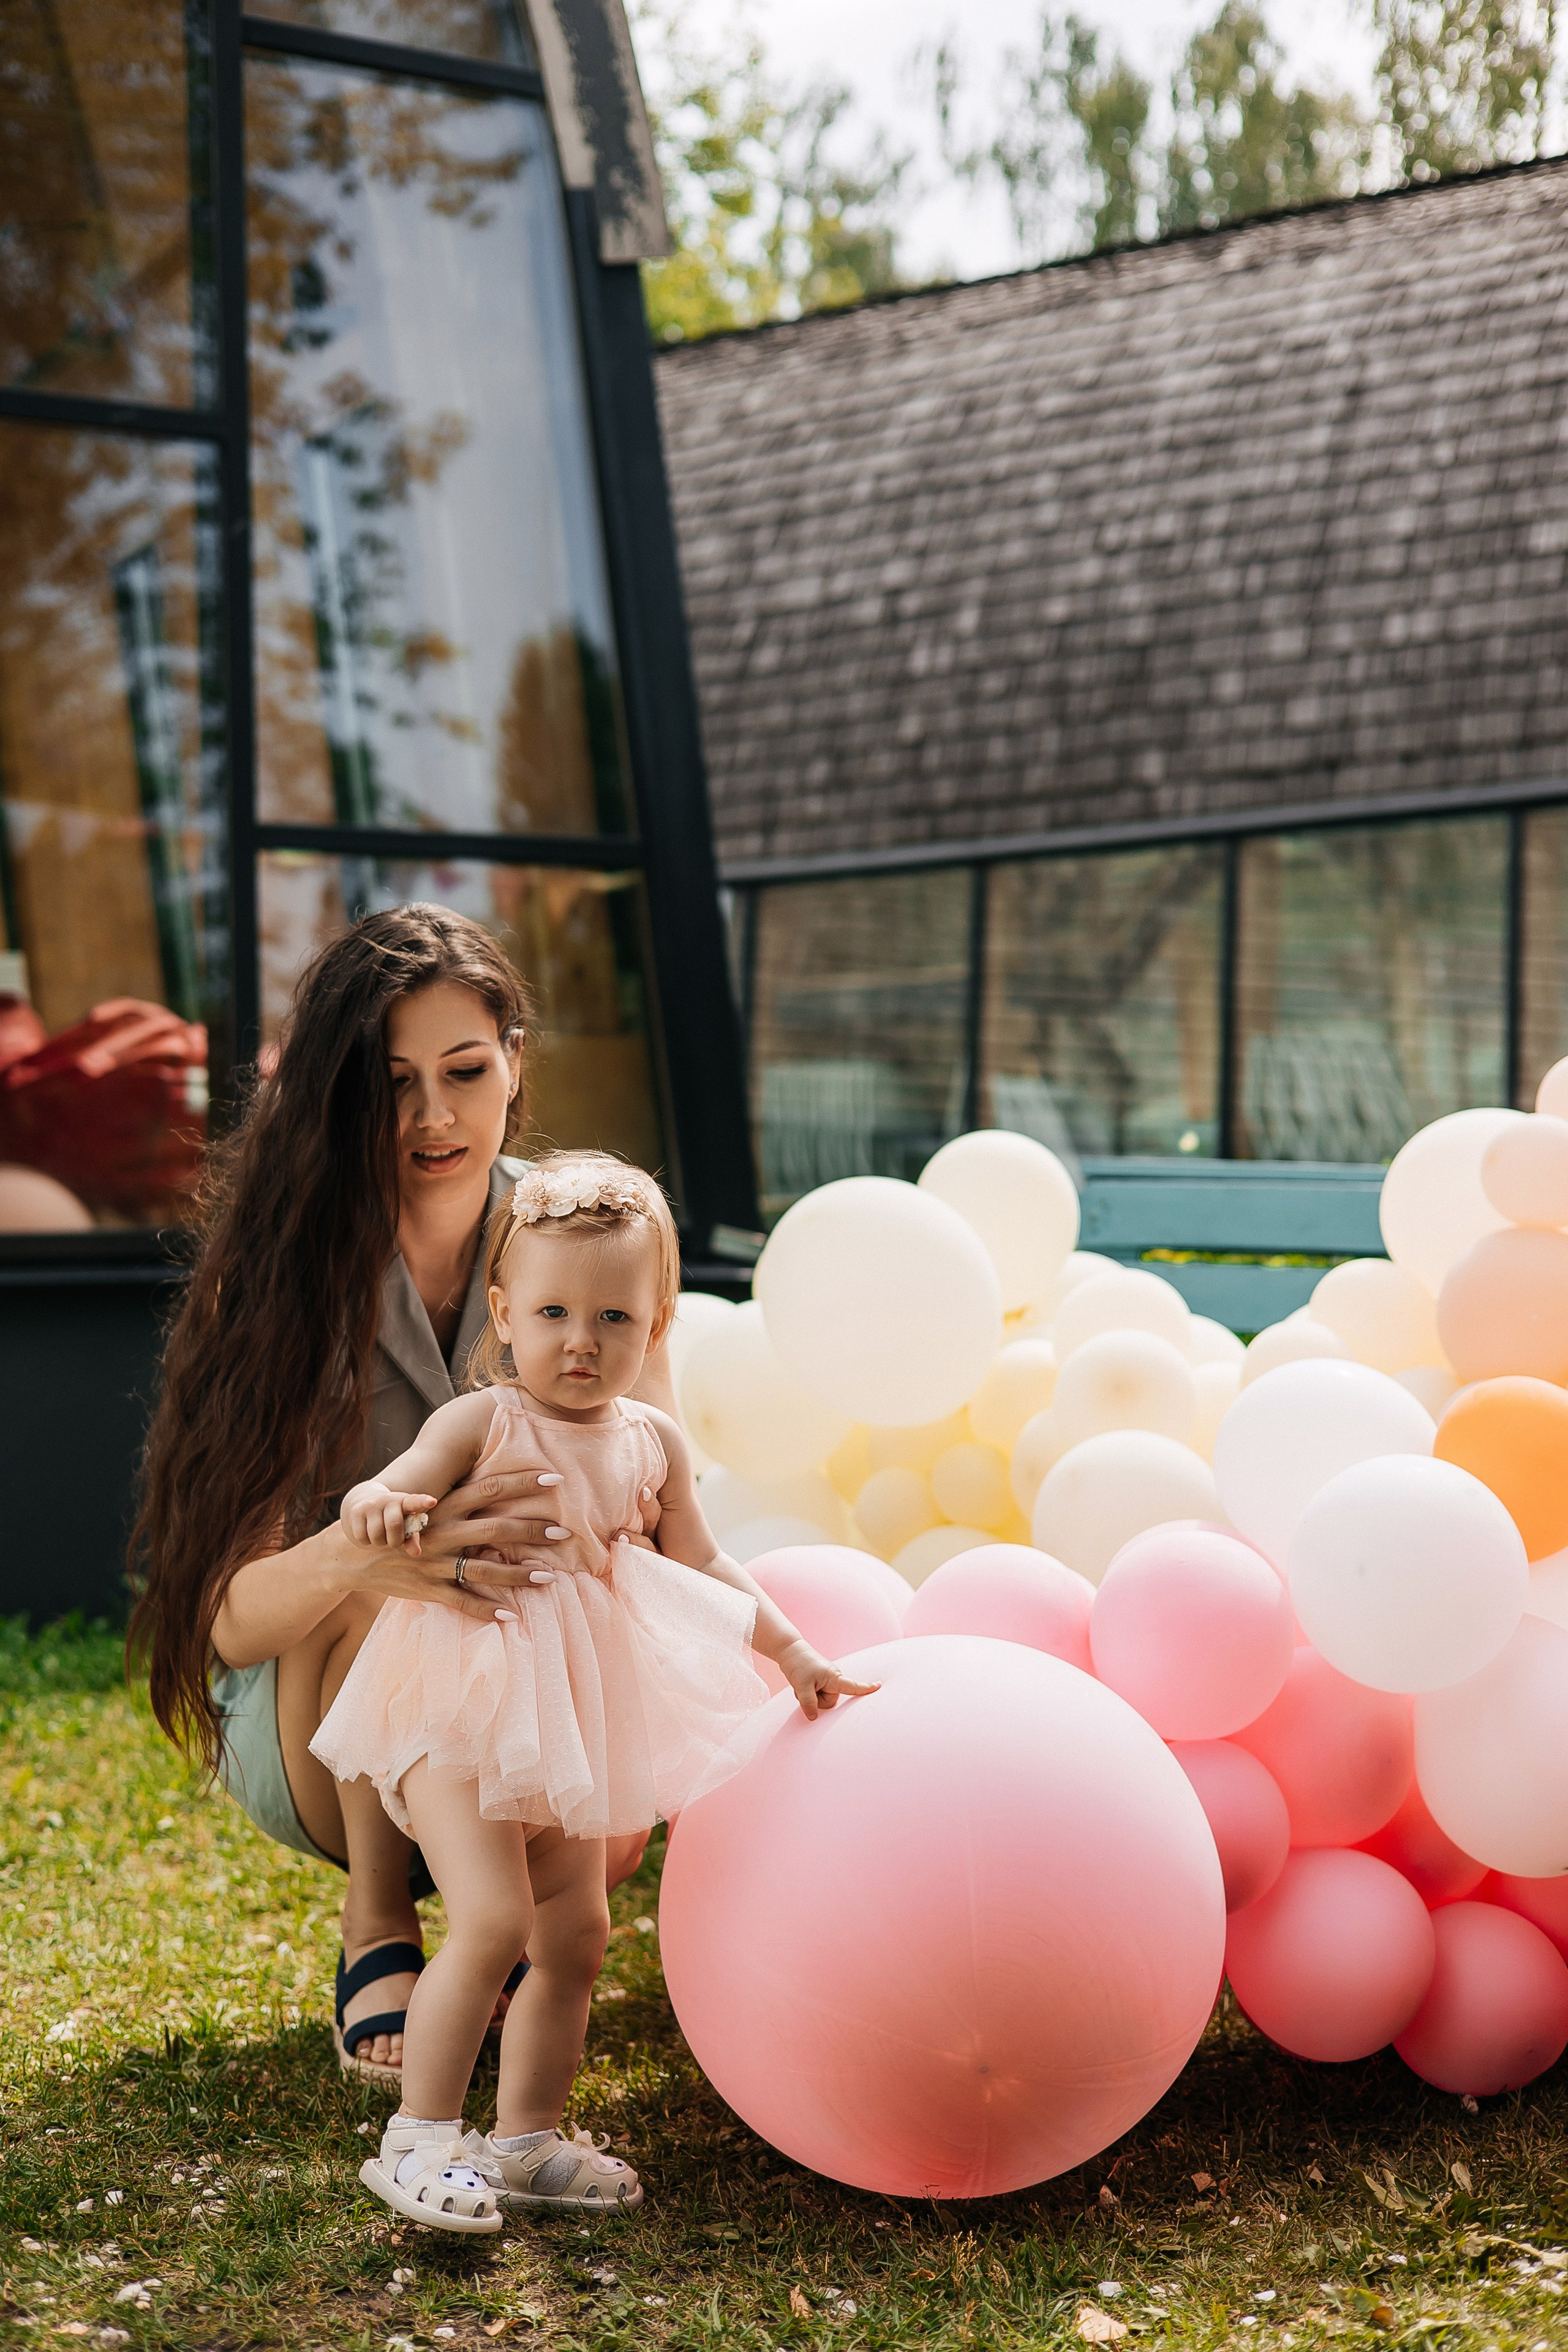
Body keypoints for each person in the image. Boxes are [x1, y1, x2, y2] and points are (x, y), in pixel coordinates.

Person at [131, 907, 665, 2089]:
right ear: (339, 1095)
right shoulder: (282, 1266)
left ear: (515, 1060)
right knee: (391, 1588)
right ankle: (380, 1917)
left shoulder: (587, 1233)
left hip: (538, 1692)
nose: (434, 1116)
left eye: (466, 1071)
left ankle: (524, 1914)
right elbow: (229, 1620)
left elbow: (654, 1480)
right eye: (393, 1084)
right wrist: (379, 1558)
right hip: (329, 1722)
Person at [311, 1150, 875, 2228]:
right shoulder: (484, 1423)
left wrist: (792, 1650)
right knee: (489, 1916)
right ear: (505, 1313)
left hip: (573, 1713)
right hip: (465, 1704)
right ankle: (419, 2136)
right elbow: (398, 1482)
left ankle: (525, 2139)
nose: (583, 1340)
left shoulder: (650, 1440)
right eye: (556, 1311)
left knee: (574, 1933)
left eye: (615, 1319)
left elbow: (703, 1562)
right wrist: (382, 1503)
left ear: (656, 1324)